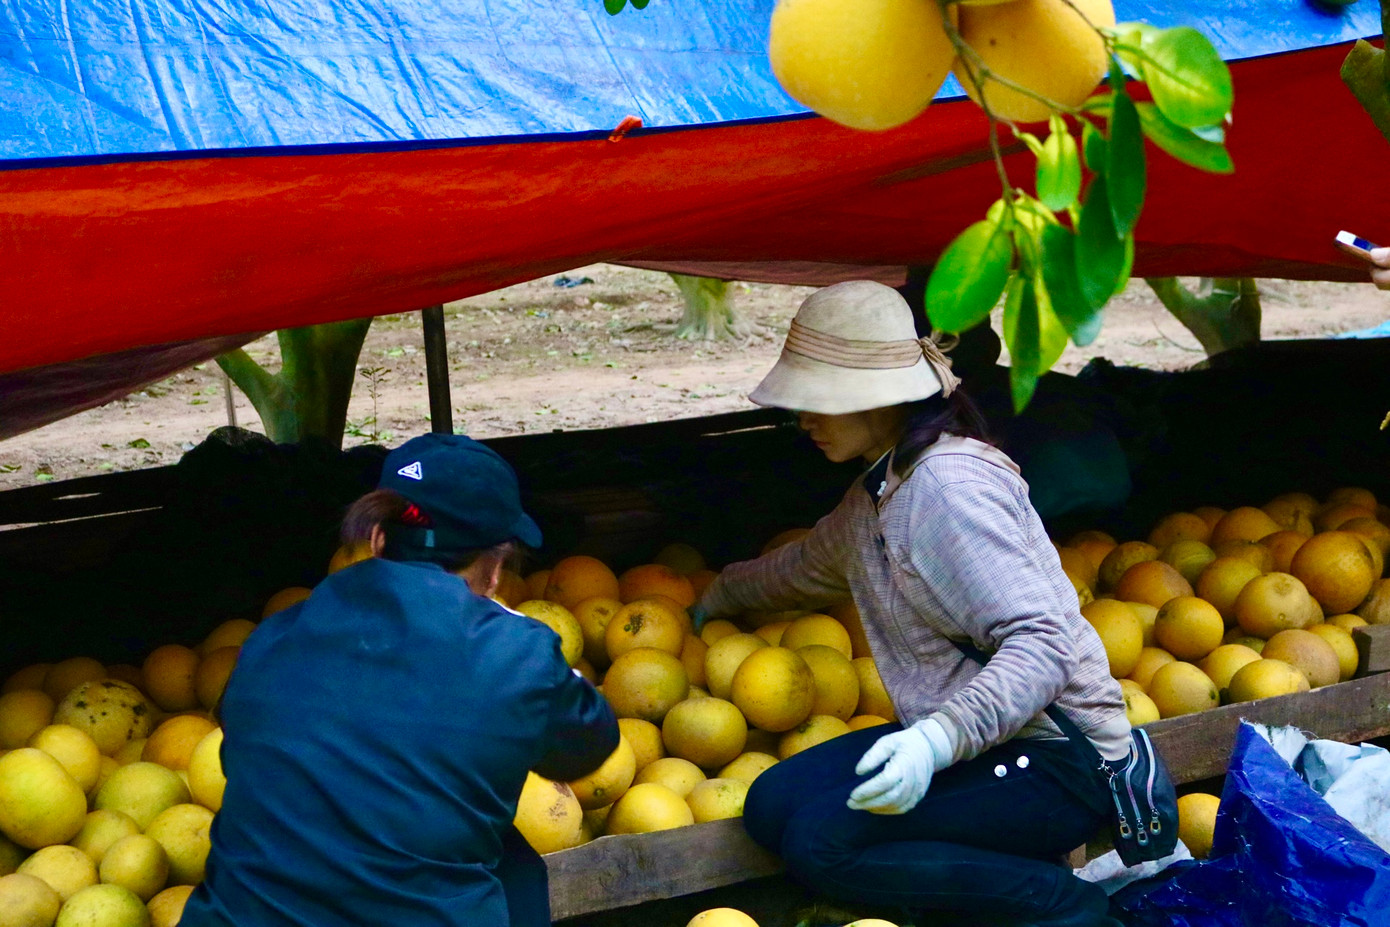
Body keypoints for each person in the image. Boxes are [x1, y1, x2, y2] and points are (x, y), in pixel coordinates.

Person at [693, 281, 1131, 927]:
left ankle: (1062, 903)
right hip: (974, 737)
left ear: (882, 397)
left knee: (820, 842)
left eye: (819, 400)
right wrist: (716, 595)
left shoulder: (948, 490)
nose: (804, 419)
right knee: (772, 803)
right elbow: (810, 565)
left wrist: (935, 739)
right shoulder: (884, 480)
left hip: (1057, 758)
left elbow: (1043, 645)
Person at [181, 433, 618, 927]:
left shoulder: (272, 639)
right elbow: (588, 744)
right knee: (511, 864)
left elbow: (245, 761)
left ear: (377, 540)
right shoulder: (514, 655)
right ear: (495, 569)